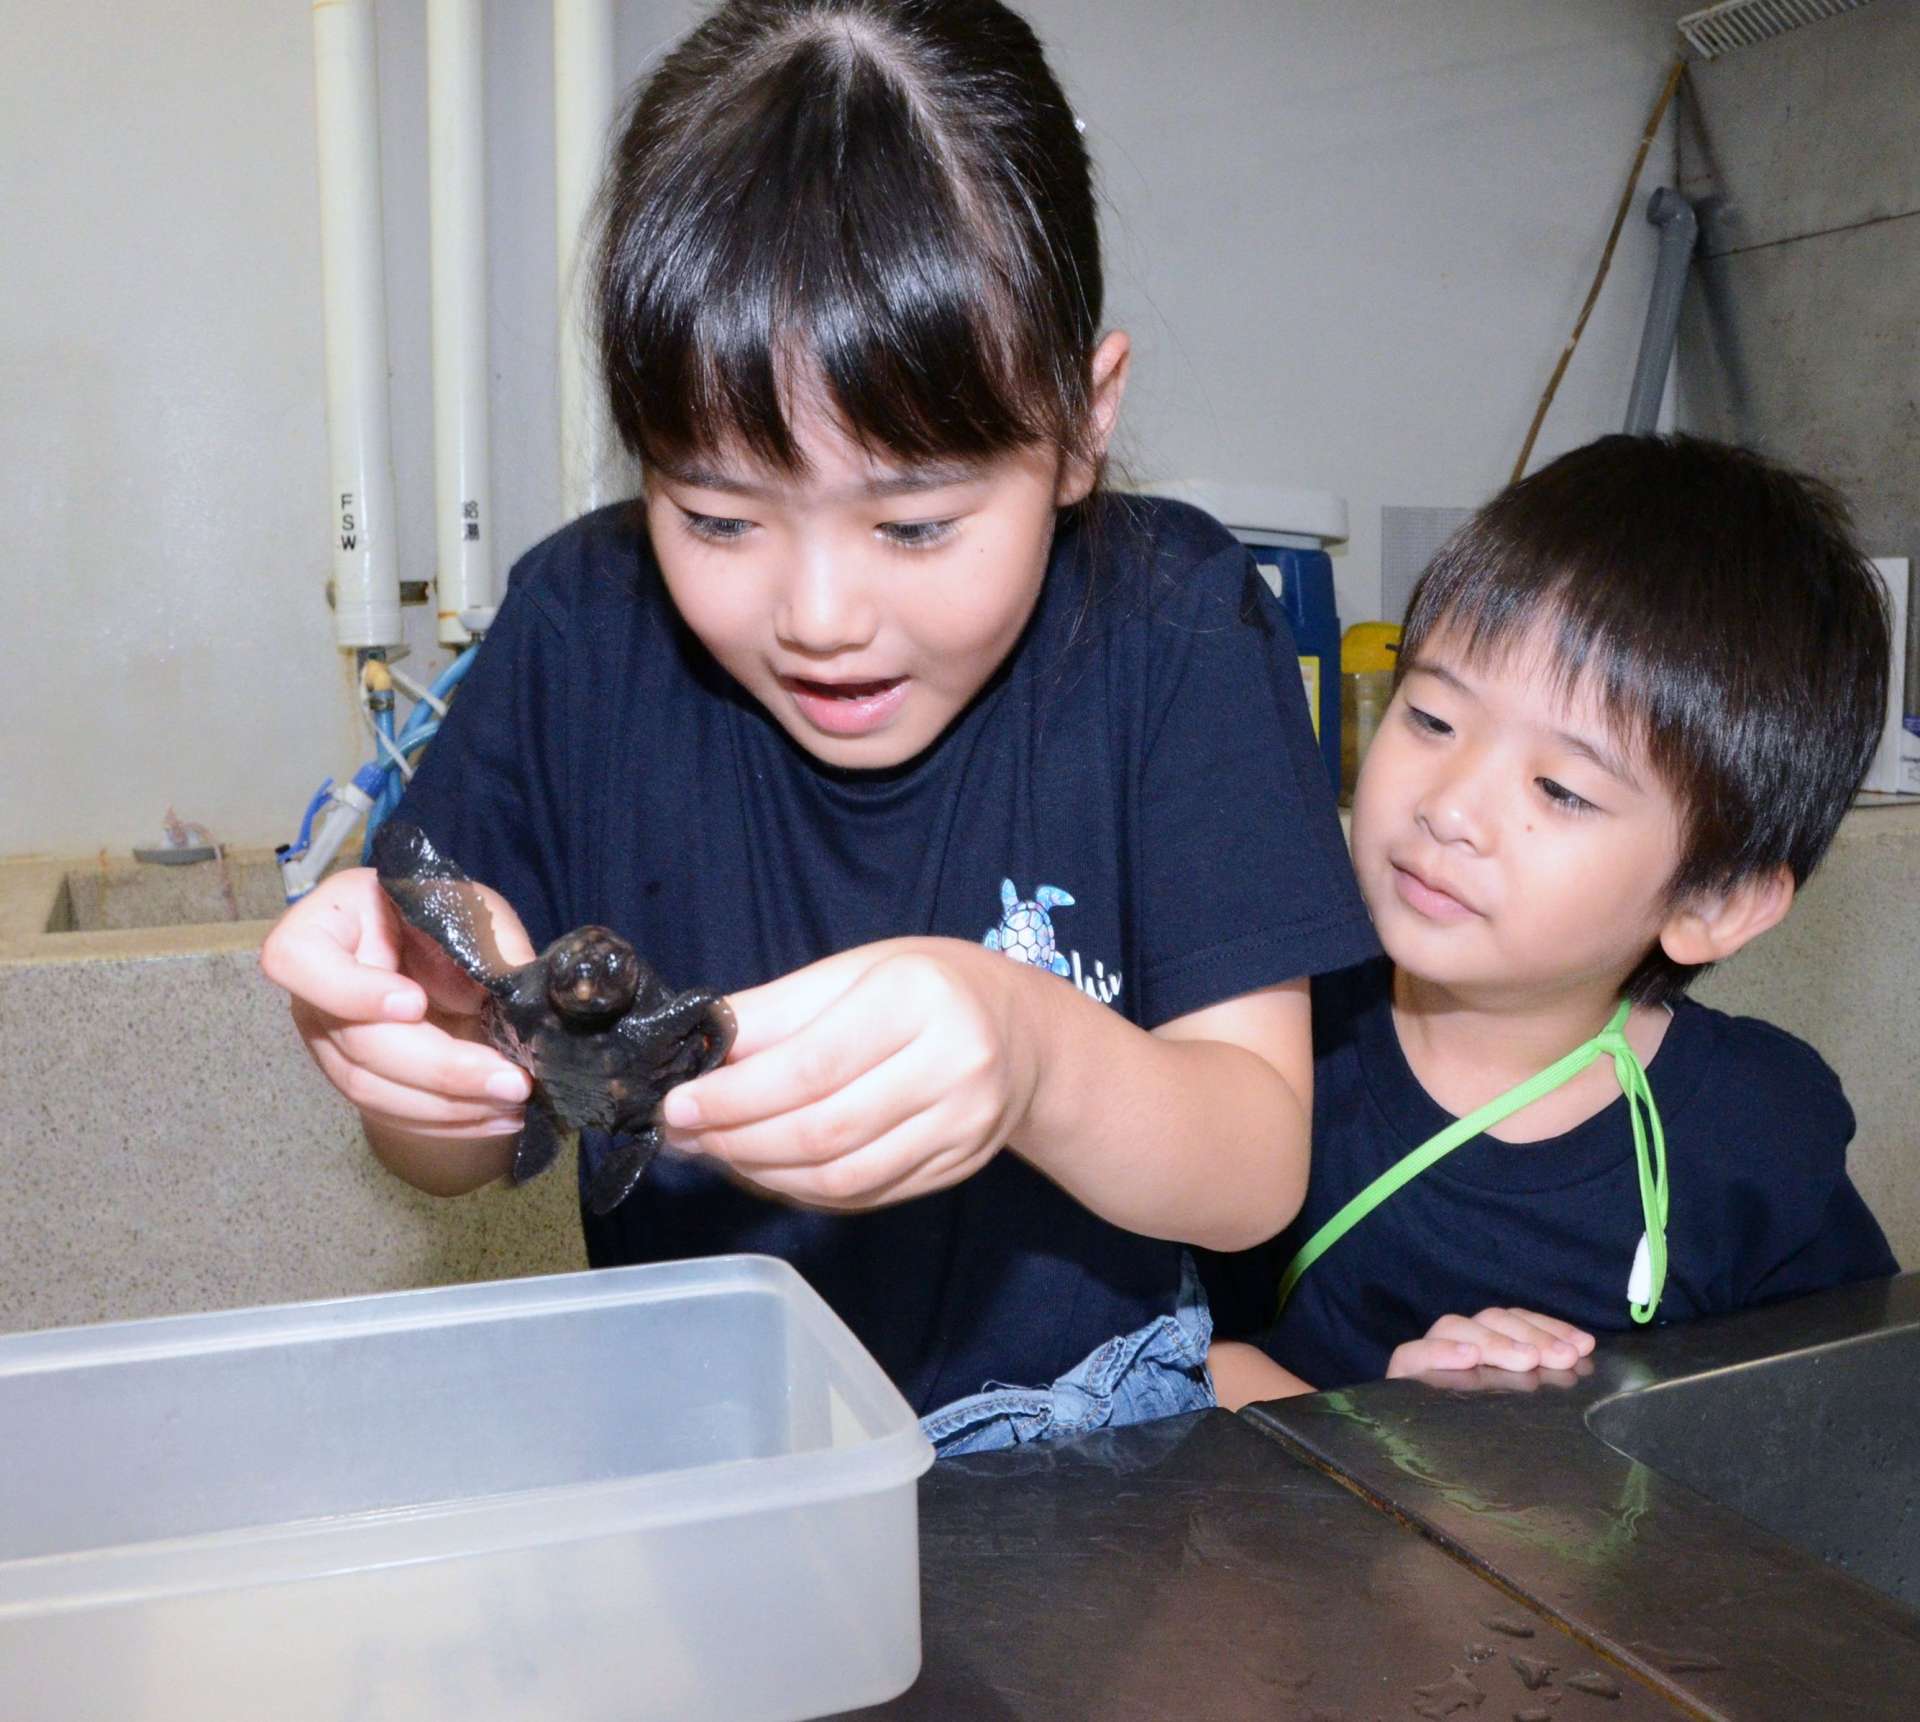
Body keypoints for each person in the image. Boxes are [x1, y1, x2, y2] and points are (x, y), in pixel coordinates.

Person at [260, 0, 1377, 1451]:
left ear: (1082, 419)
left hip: (1093, 1439)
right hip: (696, 1444)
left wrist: (1033, 1057)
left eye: (916, 521)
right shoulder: (582, 629)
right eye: (718, 514)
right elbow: (454, 1151)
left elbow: (1253, 1165)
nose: (822, 612)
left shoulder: (1171, 627)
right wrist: (416, 1055)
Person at [1204, 434, 1900, 1408]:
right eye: (1432, 719)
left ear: (1717, 901)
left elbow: (1841, 1422)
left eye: (1562, 789)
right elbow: (1153, 1364)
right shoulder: (1259, 1037)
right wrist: (1376, 1425)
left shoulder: (1756, 1134)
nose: (1449, 805)